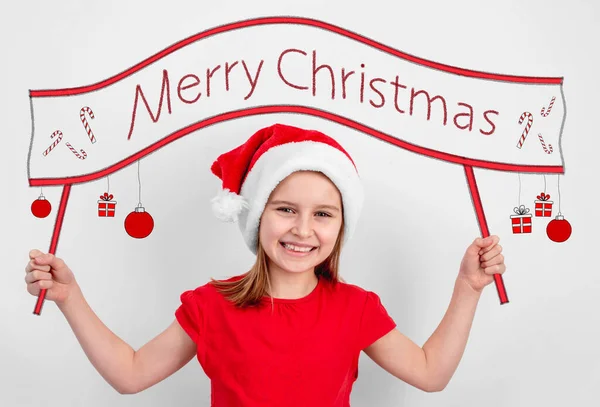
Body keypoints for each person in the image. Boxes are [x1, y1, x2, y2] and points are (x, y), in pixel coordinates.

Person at [25, 123, 506, 406]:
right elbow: (130, 374)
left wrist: (468, 287)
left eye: (322, 214)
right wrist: (71, 298)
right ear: (257, 217)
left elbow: (431, 373)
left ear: (340, 226)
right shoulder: (211, 306)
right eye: (285, 209)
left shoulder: (356, 309)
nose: (302, 229)